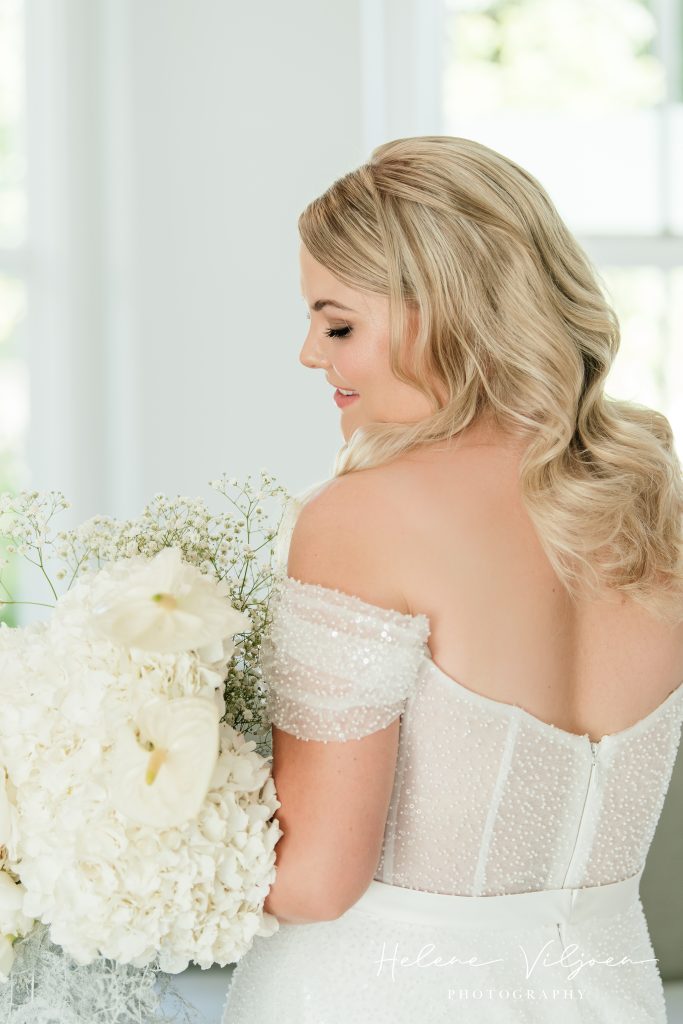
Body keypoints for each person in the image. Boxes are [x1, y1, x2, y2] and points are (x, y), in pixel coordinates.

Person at [221, 135, 683, 1023]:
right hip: (611, 993)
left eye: (338, 324)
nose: (310, 354)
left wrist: (110, 840)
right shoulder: (650, 499)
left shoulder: (363, 517)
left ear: (442, 314)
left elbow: (315, 882)